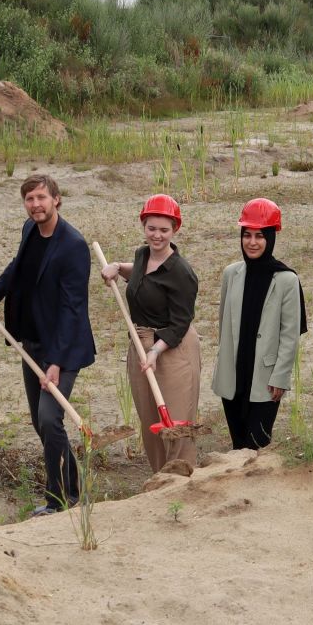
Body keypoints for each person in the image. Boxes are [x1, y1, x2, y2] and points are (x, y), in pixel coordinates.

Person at [0, 173, 95, 514]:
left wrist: (56, 363)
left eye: (42, 198)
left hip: (63, 348)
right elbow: (19, 268)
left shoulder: (73, 245)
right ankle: (73, 490)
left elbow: (74, 310)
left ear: (56, 199)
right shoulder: (30, 230)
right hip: (30, 343)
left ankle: (58, 502)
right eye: (30, 199)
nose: (36, 205)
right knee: (41, 421)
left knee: (48, 418)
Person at [101, 194, 201, 473]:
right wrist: (117, 267)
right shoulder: (142, 255)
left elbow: (181, 323)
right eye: (151, 228)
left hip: (172, 346)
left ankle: (181, 480)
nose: (157, 235)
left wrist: (156, 350)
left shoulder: (181, 272)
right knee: (150, 420)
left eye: (164, 230)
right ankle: (160, 481)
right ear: (143, 226)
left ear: (175, 230)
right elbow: (142, 275)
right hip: (140, 343)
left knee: (176, 422)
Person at [213, 198, 305, 450]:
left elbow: (290, 335)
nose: (252, 242)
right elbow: (224, 322)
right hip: (233, 372)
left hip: (265, 378)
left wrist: (281, 376)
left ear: (270, 238)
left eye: (260, 236)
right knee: (238, 443)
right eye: (247, 235)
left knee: (257, 443)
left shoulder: (286, 279)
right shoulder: (231, 273)